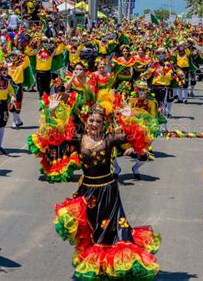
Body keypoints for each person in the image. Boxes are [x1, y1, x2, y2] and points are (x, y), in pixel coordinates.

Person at [53, 104, 160, 280]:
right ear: (86, 121)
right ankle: (97, 266)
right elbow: (55, 134)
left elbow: (137, 135)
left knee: (111, 231)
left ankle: (111, 268)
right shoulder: (78, 138)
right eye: (91, 120)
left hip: (108, 192)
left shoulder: (109, 139)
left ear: (104, 124)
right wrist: (52, 110)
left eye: (98, 121)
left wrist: (128, 116)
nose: (94, 124)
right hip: (87, 193)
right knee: (92, 230)